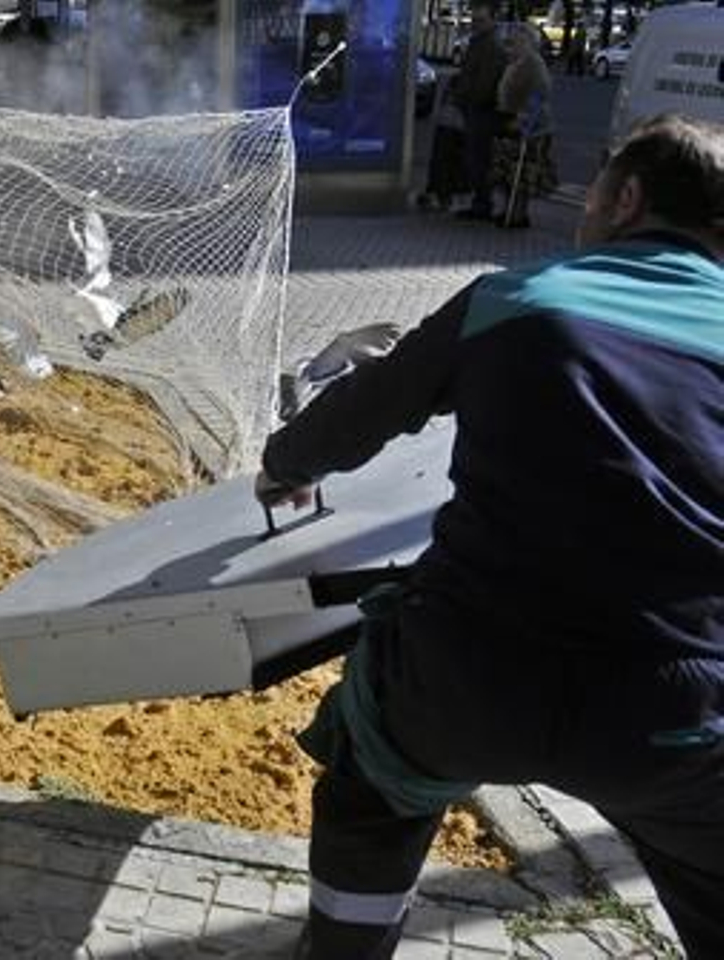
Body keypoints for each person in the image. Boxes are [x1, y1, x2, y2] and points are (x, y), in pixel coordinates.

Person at [256, 114, 724, 959]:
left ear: (626, 198)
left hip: (466, 677)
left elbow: (359, 415)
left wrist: (285, 465)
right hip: (671, 711)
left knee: (373, 776)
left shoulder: (512, 298)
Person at [491, 24, 558, 229]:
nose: (512, 46)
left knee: (522, 175)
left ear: (529, 43)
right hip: (509, 121)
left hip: (530, 126)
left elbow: (541, 93)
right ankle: (508, 210)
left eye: (518, 41)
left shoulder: (533, 63)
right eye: (511, 41)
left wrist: (524, 118)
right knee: (507, 174)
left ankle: (518, 214)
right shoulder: (515, 62)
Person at [449, 2, 507, 221]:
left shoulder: (491, 45)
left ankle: (482, 203)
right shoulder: (480, 42)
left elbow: (486, 83)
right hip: (475, 108)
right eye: (474, 20)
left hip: (481, 111)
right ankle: (480, 201)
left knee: (479, 158)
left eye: (480, 20)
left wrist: (468, 100)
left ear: (492, 19)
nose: (475, 24)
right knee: (474, 157)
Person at [415, 73, 469, 213]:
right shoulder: (460, 78)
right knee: (449, 160)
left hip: (449, 122)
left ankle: (440, 195)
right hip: (456, 122)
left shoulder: (459, 78)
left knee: (443, 159)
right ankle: (443, 196)